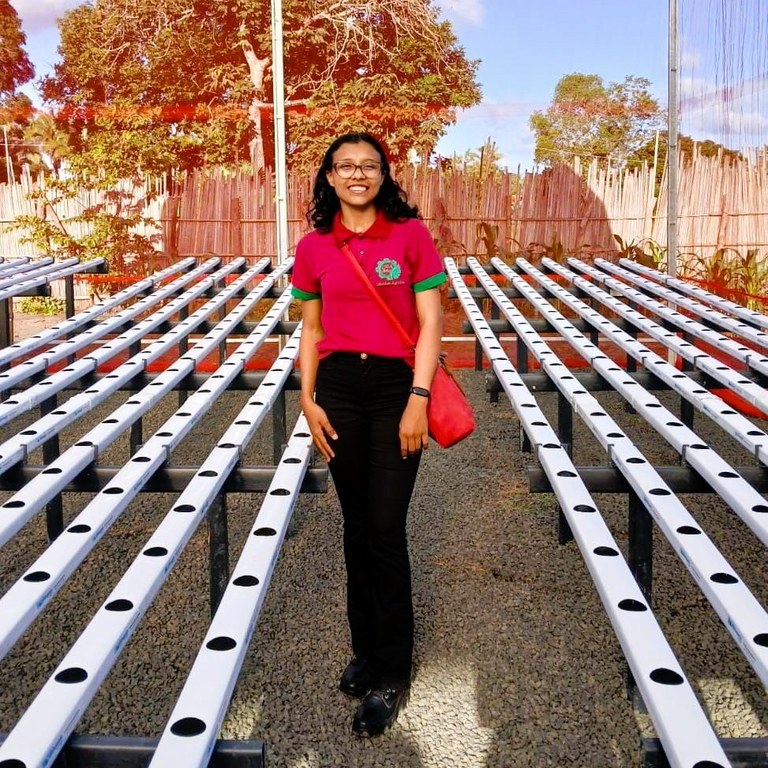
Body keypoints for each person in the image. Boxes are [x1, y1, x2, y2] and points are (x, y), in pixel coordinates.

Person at [291, 132, 446, 737]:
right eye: (346, 166)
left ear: (384, 175)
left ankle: (392, 670)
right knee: (356, 524)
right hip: (336, 389)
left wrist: (419, 398)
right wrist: (306, 398)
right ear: (329, 177)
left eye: (370, 166)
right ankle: (366, 651)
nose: (358, 174)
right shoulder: (314, 247)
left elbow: (432, 320)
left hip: (393, 390)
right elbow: (310, 328)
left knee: (385, 526)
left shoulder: (409, 236)